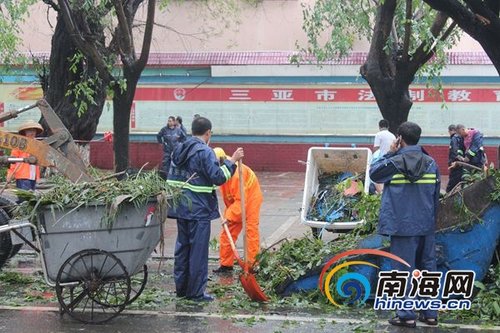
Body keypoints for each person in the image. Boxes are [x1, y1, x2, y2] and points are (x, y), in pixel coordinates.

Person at [370, 122, 440, 328]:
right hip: (426, 225)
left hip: (402, 227)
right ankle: (430, 314)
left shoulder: (394, 163)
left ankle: (407, 314)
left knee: (403, 271)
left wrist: (390, 153)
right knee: (427, 269)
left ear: (399, 138)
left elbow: (374, 173)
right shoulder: (431, 163)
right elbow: (436, 197)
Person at [167, 117, 244, 302]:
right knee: (198, 253)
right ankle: (196, 293)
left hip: (180, 208)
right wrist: (232, 161)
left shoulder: (178, 149)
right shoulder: (204, 152)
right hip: (198, 210)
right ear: (208, 133)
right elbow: (218, 177)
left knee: (182, 249)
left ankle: (182, 289)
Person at [212, 147, 263, 274]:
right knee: (227, 233)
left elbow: (241, 201)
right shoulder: (219, 168)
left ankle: (252, 266)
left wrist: (228, 217)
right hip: (235, 200)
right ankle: (226, 265)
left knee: (251, 232)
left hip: (250, 199)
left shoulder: (235, 175)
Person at [6, 120, 44, 190]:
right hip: (22, 176)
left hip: (33, 176)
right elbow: (13, 160)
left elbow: (38, 163)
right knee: (24, 198)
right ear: (25, 132)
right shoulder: (19, 144)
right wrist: (10, 174)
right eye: (29, 130)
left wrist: (38, 177)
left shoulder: (37, 145)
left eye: (33, 130)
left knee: (30, 198)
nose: (32, 132)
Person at [446, 124, 465, 193]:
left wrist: (454, 161)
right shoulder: (461, 137)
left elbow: (454, 151)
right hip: (461, 164)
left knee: (452, 183)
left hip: (455, 164)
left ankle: (447, 199)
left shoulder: (454, 138)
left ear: (451, 131)